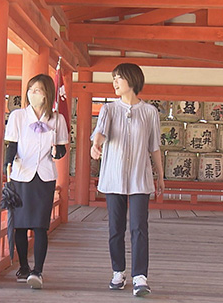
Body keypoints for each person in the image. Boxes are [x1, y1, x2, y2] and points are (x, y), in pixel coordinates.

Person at [90, 63, 165, 297]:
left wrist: (160, 176)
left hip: (140, 178)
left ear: (132, 80)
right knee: (115, 228)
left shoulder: (150, 112)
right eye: (113, 78)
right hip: (113, 177)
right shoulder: (108, 110)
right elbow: (100, 133)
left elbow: (154, 147)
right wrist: (96, 144)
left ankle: (140, 277)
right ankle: (118, 272)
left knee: (139, 228)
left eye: (118, 78)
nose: (114, 82)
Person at [4, 74, 69, 289]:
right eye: (30, 89)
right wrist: (8, 163)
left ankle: (38, 271)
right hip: (21, 175)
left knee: (41, 226)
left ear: (48, 94)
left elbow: (62, 150)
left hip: (44, 177)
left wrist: (56, 151)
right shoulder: (18, 116)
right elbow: (11, 144)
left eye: (38, 90)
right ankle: (23, 266)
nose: (33, 93)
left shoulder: (57, 119)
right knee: (20, 226)